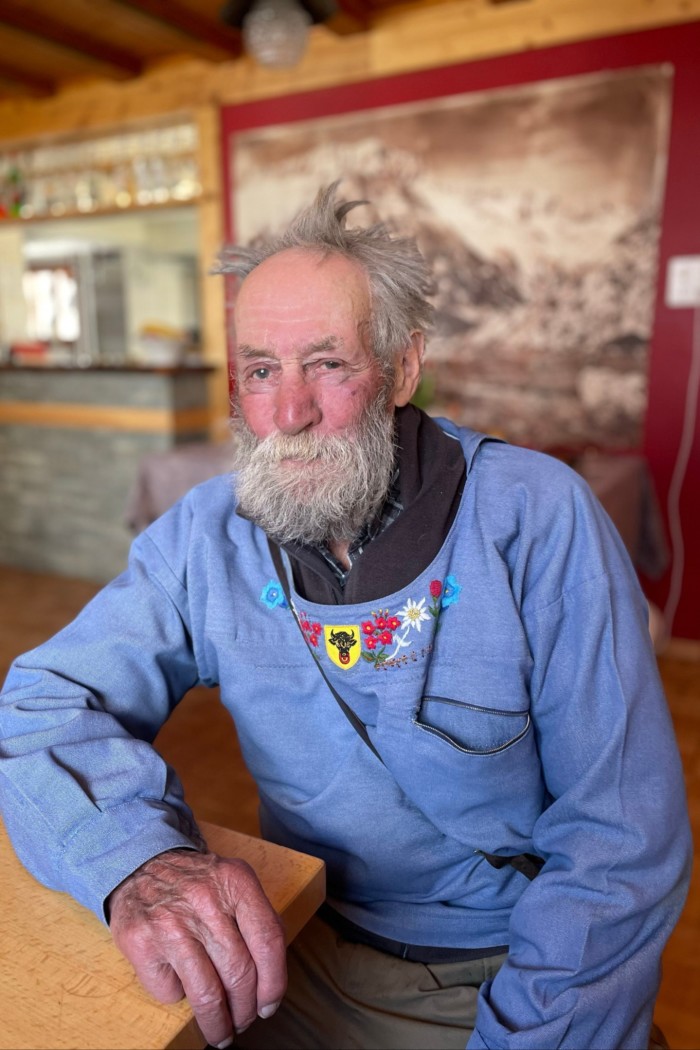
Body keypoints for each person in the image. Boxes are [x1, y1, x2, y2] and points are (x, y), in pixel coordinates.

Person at [0, 183, 691, 1050]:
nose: (288, 412)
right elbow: (44, 701)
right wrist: (141, 859)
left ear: (403, 368)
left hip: (503, 970)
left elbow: (622, 841)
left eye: (328, 363)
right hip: (293, 943)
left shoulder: (535, 516)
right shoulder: (206, 536)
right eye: (260, 370)